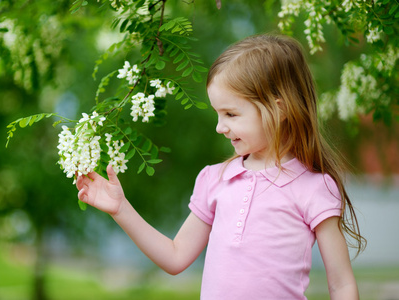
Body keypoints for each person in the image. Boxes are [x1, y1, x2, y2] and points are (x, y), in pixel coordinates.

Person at [76, 34, 366, 299]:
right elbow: (176, 257)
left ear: (279, 110)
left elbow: (341, 284)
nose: (220, 127)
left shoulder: (314, 187)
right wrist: (121, 208)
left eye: (230, 113)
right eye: (218, 113)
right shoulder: (216, 179)